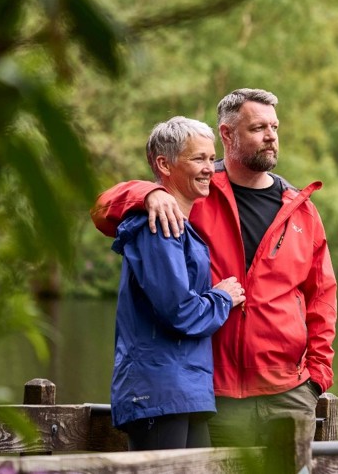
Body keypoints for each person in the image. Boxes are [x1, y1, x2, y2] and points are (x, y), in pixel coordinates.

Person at [92, 88, 337, 447]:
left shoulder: (301, 210)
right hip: (212, 391)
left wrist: (317, 376)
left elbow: (322, 299)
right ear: (227, 134)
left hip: (289, 393)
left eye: (274, 126)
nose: (270, 136)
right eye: (257, 128)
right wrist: (147, 194)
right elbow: (101, 210)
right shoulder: (195, 193)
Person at [109, 116, 246, 450]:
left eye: (210, 159)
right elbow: (179, 311)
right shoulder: (159, 226)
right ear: (164, 164)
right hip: (158, 390)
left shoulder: (180, 225)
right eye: (197, 158)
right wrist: (222, 298)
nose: (209, 168)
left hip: (186, 391)